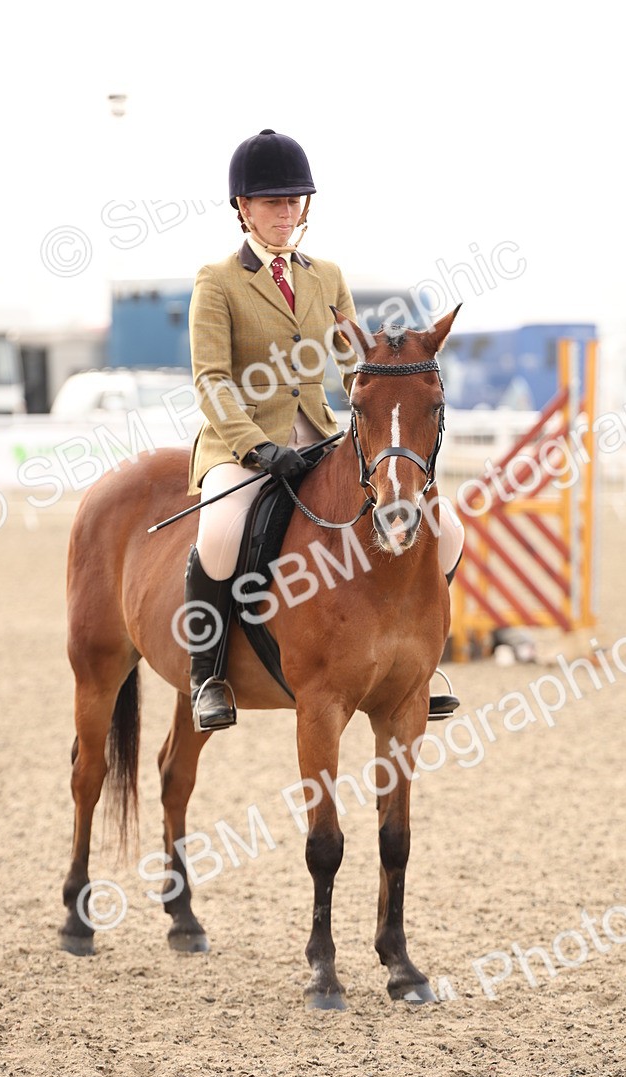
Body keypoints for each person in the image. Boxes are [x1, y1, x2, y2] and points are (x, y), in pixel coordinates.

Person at [185, 128, 464, 733]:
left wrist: (378, 389)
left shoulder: (328, 276)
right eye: (271, 203)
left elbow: (350, 362)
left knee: (447, 529)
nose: (284, 213)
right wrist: (254, 446)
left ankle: (422, 659)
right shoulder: (218, 281)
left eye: (293, 202)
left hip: (319, 437)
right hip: (243, 444)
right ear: (244, 209)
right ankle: (207, 674)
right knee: (221, 535)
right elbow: (209, 378)